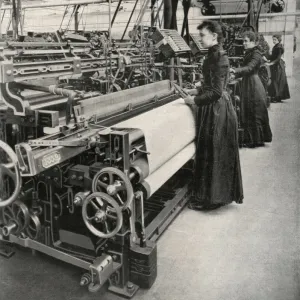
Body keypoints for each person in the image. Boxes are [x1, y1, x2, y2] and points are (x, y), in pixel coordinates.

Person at [183, 20, 243, 210]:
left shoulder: (219, 58)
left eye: (202, 35)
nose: (200, 39)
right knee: (209, 151)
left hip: (217, 109)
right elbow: (211, 83)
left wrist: (195, 101)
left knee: (213, 152)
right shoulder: (212, 56)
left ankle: (212, 199)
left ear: (214, 36)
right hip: (212, 107)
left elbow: (217, 91)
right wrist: (197, 89)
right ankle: (208, 196)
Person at [230, 31, 272, 148]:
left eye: (246, 41)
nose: (244, 43)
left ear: (253, 42)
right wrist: (235, 75)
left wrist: (235, 71)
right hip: (249, 82)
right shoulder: (250, 52)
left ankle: (257, 139)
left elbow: (249, 68)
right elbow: (246, 70)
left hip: (254, 84)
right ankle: (252, 139)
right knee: (249, 110)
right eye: (243, 41)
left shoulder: (256, 54)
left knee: (255, 110)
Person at [266, 35, 290, 103]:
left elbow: (278, 58)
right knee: (275, 80)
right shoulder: (276, 46)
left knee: (277, 81)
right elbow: (273, 56)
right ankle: (276, 97)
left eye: (275, 40)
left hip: (278, 66)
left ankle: (276, 97)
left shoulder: (279, 47)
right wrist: (267, 58)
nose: (273, 41)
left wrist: (271, 63)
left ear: (279, 40)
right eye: (273, 39)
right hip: (275, 65)